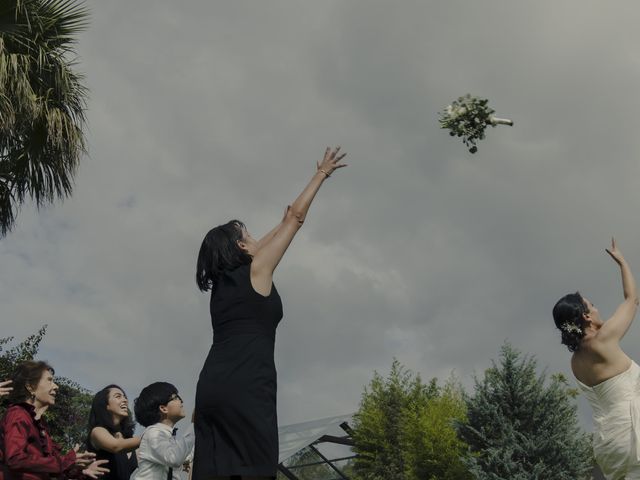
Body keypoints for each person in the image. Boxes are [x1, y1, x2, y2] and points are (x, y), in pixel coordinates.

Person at [192, 146, 347, 480]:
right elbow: (294, 220)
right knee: (256, 470)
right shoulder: (256, 271)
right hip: (247, 384)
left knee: (212, 471)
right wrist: (321, 174)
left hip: (210, 388)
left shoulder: (220, 289)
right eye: (246, 234)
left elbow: (281, 225)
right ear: (241, 249)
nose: (253, 236)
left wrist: (281, 223)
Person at [553, 238, 640, 479]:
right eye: (593, 305)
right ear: (586, 317)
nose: (598, 308)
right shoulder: (603, 340)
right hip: (634, 436)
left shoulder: (575, 362)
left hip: (608, 445)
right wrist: (622, 262)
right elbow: (632, 299)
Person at [0, 360, 108, 480]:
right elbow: (15, 459)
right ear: (30, 387)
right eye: (49, 380)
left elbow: (52, 466)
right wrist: (66, 462)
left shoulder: (40, 425)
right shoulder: (18, 414)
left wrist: (79, 469)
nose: (56, 386)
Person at [131, 382, 194, 480]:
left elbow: (184, 455)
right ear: (163, 408)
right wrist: (194, 425)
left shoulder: (168, 436)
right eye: (176, 397)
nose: (181, 401)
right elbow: (174, 458)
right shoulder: (152, 433)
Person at [86, 385, 140, 480]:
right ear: (106, 405)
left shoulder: (129, 440)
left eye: (124, 397)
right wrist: (151, 434)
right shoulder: (97, 431)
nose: (125, 400)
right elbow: (116, 446)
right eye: (118, 396)